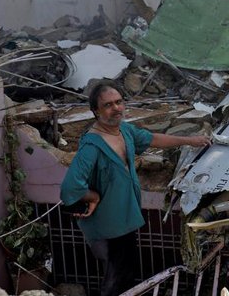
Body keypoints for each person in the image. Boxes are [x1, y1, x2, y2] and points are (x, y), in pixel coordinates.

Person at [60, 81, 211, 296]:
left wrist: (190, 140)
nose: (116, 108)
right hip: (107, 226)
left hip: (126, 218)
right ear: (96, 111)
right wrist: (92, 196)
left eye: (119, 102)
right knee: (114, 280)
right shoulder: (92, 146)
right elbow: (69, 187)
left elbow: (152, 139)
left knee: (125, 275)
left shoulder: (124, 131)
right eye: (108, 105)